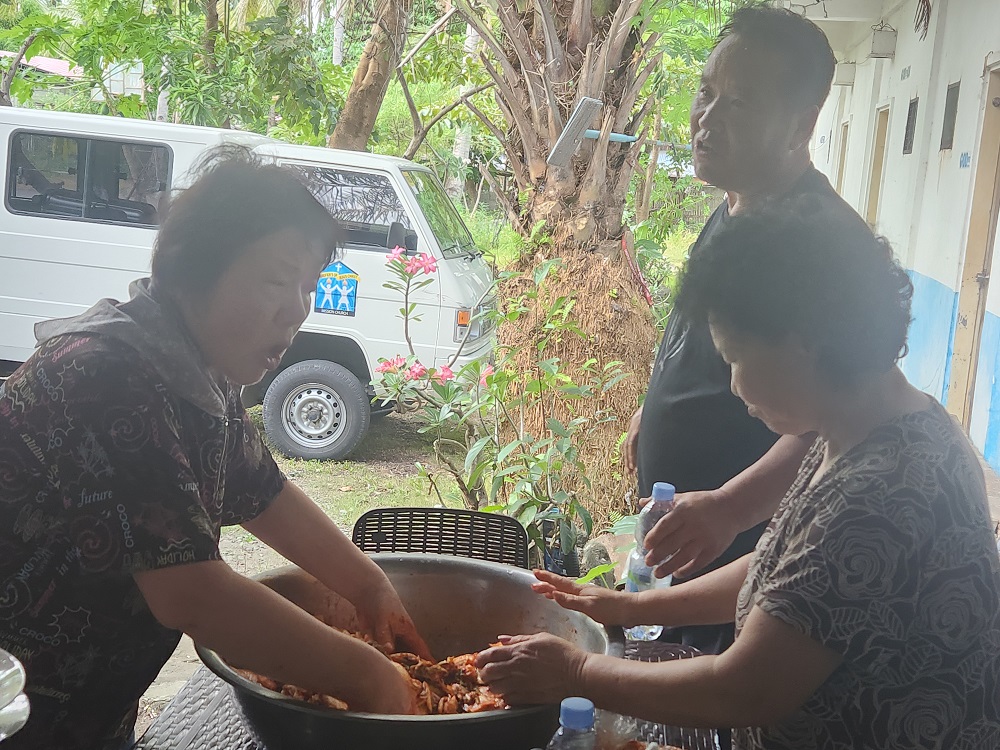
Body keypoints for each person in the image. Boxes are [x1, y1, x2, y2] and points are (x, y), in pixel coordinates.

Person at [477, 201, 1000, 749]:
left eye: (735, 358)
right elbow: (786, 574)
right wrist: (630, 607)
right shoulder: (860, 425)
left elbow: (745, 690)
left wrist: (576, 673)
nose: (732, 385)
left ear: (803, 342)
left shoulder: (882, 491)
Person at [0, 151, 429, 750]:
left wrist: (369, 586)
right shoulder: (105, 373)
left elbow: (264, 494)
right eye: (276, 281)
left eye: (308, 286)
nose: (297, 309)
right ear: (191, 273)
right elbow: (192, 595)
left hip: (87, 714)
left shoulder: (202, 375)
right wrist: (376, 682)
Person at [621, 7, 863, 660]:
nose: (707, 119)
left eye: (740, 103)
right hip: (684, 539)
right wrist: (652, 411)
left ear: (801, 125)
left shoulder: (819, 243)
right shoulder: (735, 204)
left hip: (742, 561)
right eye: (706, 93)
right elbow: (694, 336)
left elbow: (839, 419)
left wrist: (729, 507)